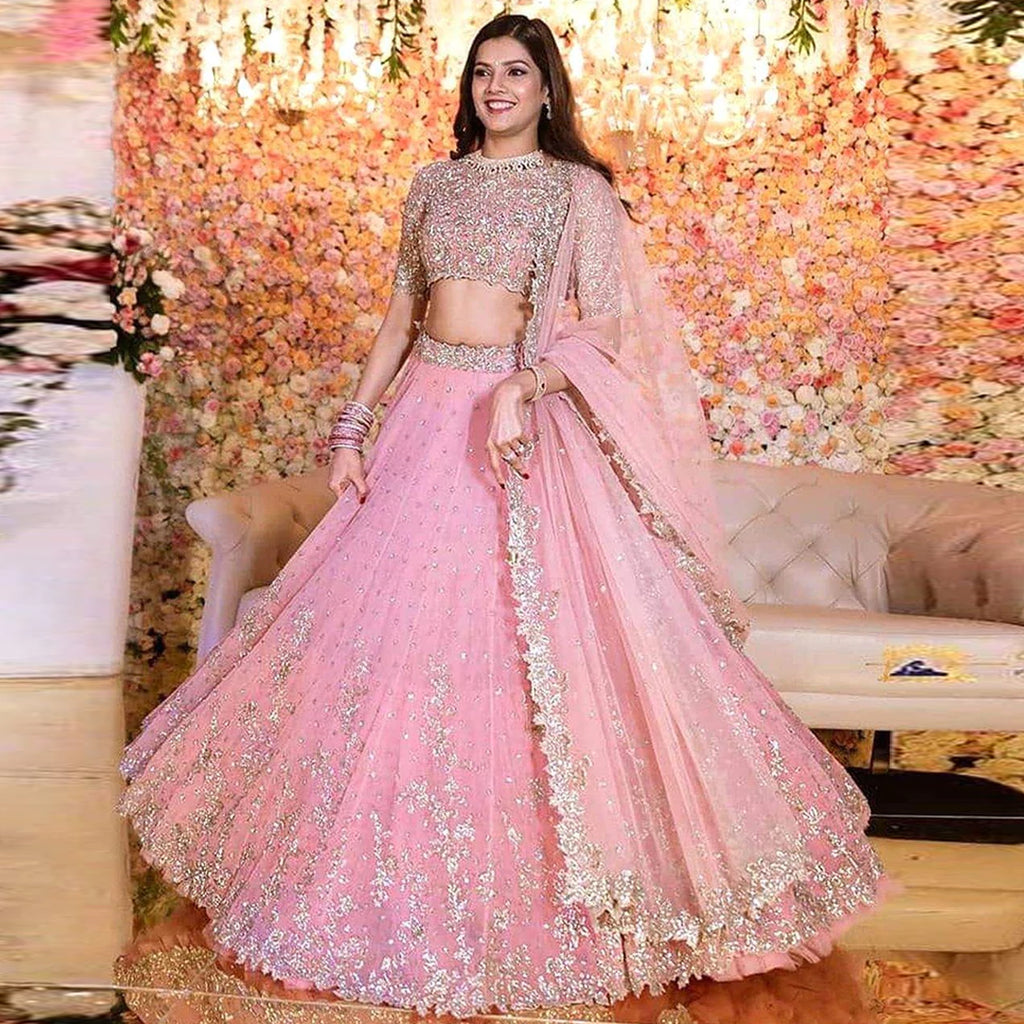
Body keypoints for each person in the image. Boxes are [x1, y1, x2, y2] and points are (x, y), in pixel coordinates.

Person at [115, 13, 891, 1024]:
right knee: (390, 649)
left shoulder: (576, 193)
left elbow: (603, 328)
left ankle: (543, 891)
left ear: (546, 88)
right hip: (421, 425)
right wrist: (352, 428)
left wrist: (524, 386)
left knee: (519, 654)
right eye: (482, 71)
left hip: (516, 431)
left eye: (516, 72)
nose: (496, 87)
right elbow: (399, 319)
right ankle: (360, 883)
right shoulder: (433, 185)